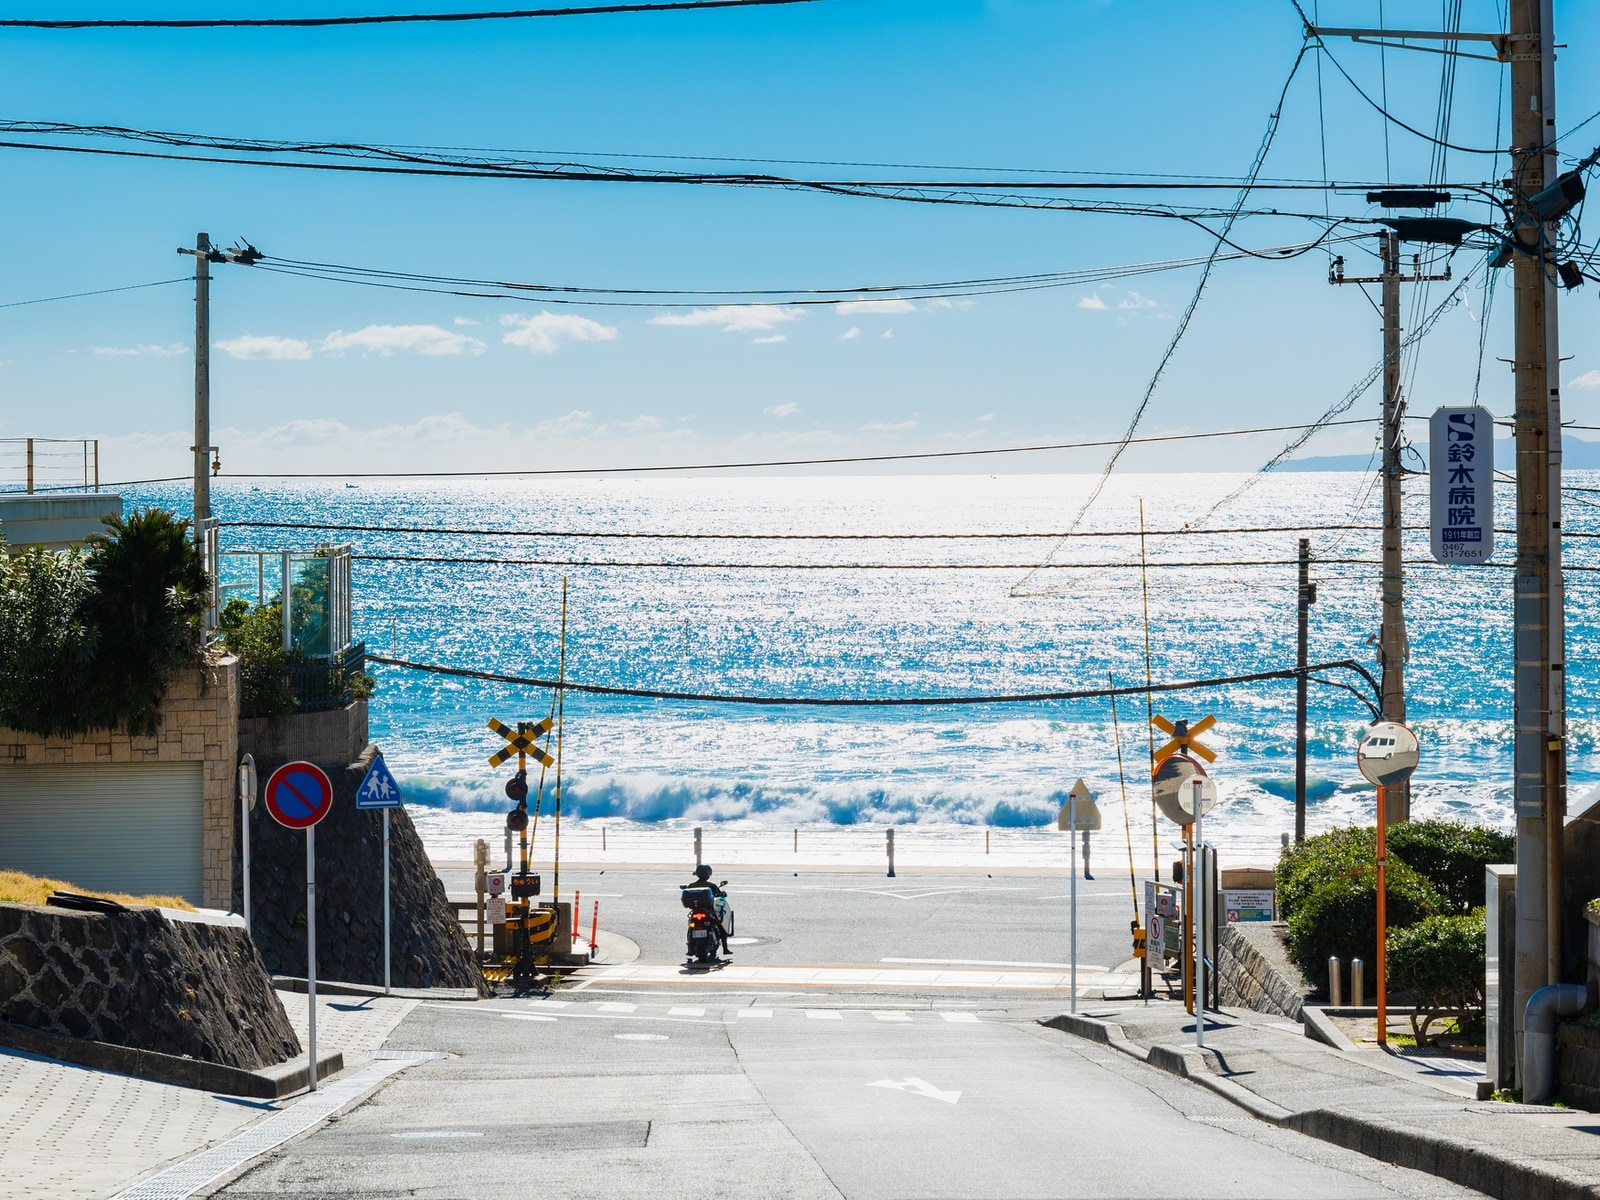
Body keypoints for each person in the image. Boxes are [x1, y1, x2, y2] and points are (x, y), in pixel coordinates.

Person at [686, 863, 730, 955]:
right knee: (721, 926)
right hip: (708, 911)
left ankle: (689, 949)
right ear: (708, 874)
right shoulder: (712, 886)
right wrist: (722, 894)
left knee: (691, 927)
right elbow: (720, 895)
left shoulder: (691, 885)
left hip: (695, 911)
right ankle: (725, 949)